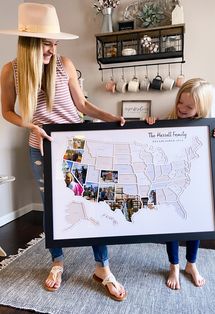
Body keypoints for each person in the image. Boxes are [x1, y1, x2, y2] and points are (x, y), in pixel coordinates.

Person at [0, 2, 126, 301]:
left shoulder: (63, 65)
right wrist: (29, 124)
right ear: (29, 43)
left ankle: (102, 268)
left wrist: (111, 118)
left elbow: (82, 106)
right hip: (41, 149)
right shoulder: (10, 71)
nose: (52, 50)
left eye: (55, 44)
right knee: (52, 210)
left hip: (77, 148)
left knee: (93, 204)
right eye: (47, 44)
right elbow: (6, 111)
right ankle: (57, 262)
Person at [147, 78, 215, 290]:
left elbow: (209, 158)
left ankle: (191, 264)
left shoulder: (206, 129)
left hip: (194, 187)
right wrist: (151, 123)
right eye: (180, 102)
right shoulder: (167, 122)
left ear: (202, 107)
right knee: (172, 225)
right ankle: (174, 265)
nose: (182, 108)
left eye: (189, 106)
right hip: (171, 184)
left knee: (196, 224)